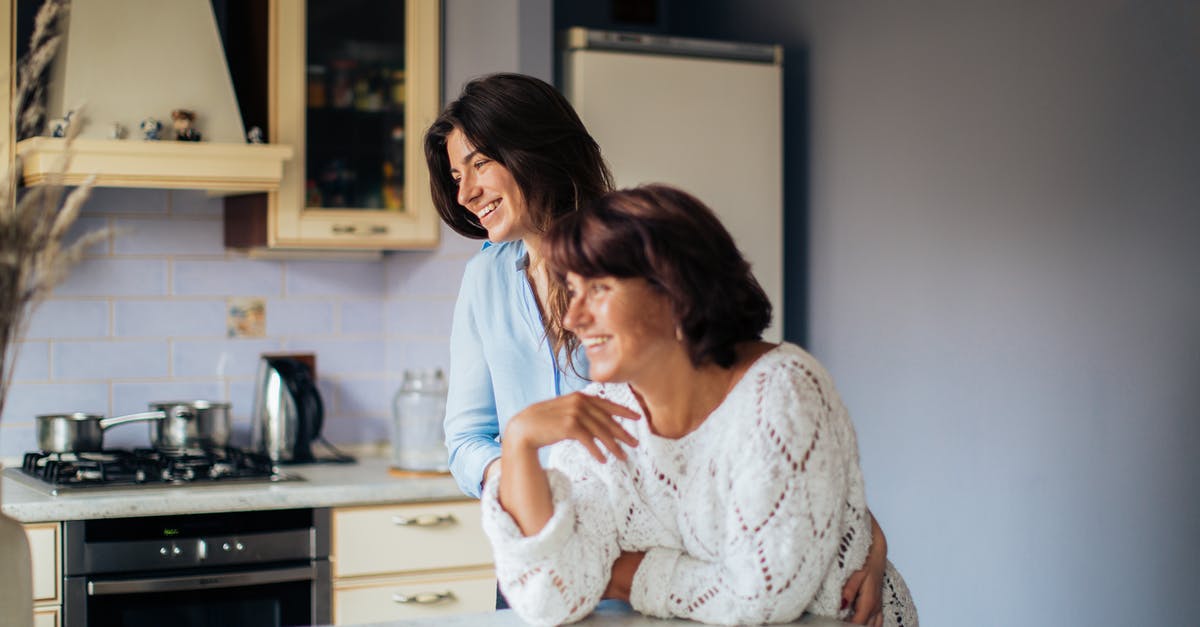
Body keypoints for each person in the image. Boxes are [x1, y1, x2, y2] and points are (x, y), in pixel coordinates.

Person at [424, 73, 890, 623]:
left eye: (479, 164)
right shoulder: (486, 280)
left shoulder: (637, 246)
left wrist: (860, 536)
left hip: (678, 558)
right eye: (456, 175)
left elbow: (748, 420)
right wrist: (529, 479)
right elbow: (466, 438)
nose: (465, 193)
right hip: (552, 545)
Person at [479, 184, 919, 626]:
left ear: (674, 292)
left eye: (598, 289)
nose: (573, 318)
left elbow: (762, 599)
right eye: (572, 291)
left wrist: (623, 576)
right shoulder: (602, 412)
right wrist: (519, 443)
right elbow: (550, 598)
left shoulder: (781, 390)